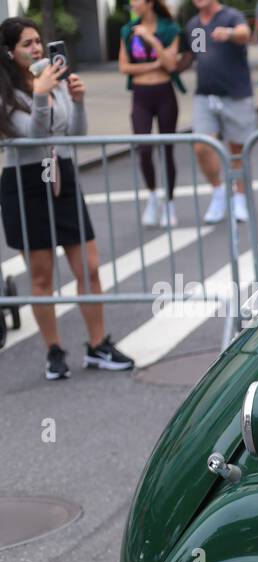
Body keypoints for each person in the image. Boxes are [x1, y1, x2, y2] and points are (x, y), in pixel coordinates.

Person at [0, 17, 135, 379]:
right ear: (9, 52)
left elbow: (76, 133)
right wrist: (41, 94)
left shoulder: (53, 80)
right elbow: (32, 135)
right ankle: (54, 350)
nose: (36, 49)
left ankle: (97, 344)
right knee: (42, 276)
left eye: (38, 42)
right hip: (26, 182)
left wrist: (77, 101)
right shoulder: (6, 92)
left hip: (64, 175)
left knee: (89, 266)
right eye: (27, 44)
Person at [178, 0, 254, 224]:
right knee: (202, 146)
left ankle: (239, 197)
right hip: (206, 94)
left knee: (237, 148)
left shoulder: (231, 16)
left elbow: (244, 33)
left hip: (235, 93)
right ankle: (218, 192)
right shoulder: (194, 25)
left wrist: (229, 34)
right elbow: (197, 54)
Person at [119, 0, 183, 228]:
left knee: (167, 149)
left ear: (149, 3)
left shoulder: (169, 28)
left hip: (164, 92)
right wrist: (153, 66)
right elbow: (124, 67)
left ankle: (170, 203)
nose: (132, 4)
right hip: (141, 95)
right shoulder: (128, 30)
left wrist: (151, 39)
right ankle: (153, 196)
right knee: (144, 148)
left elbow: (171, 64)